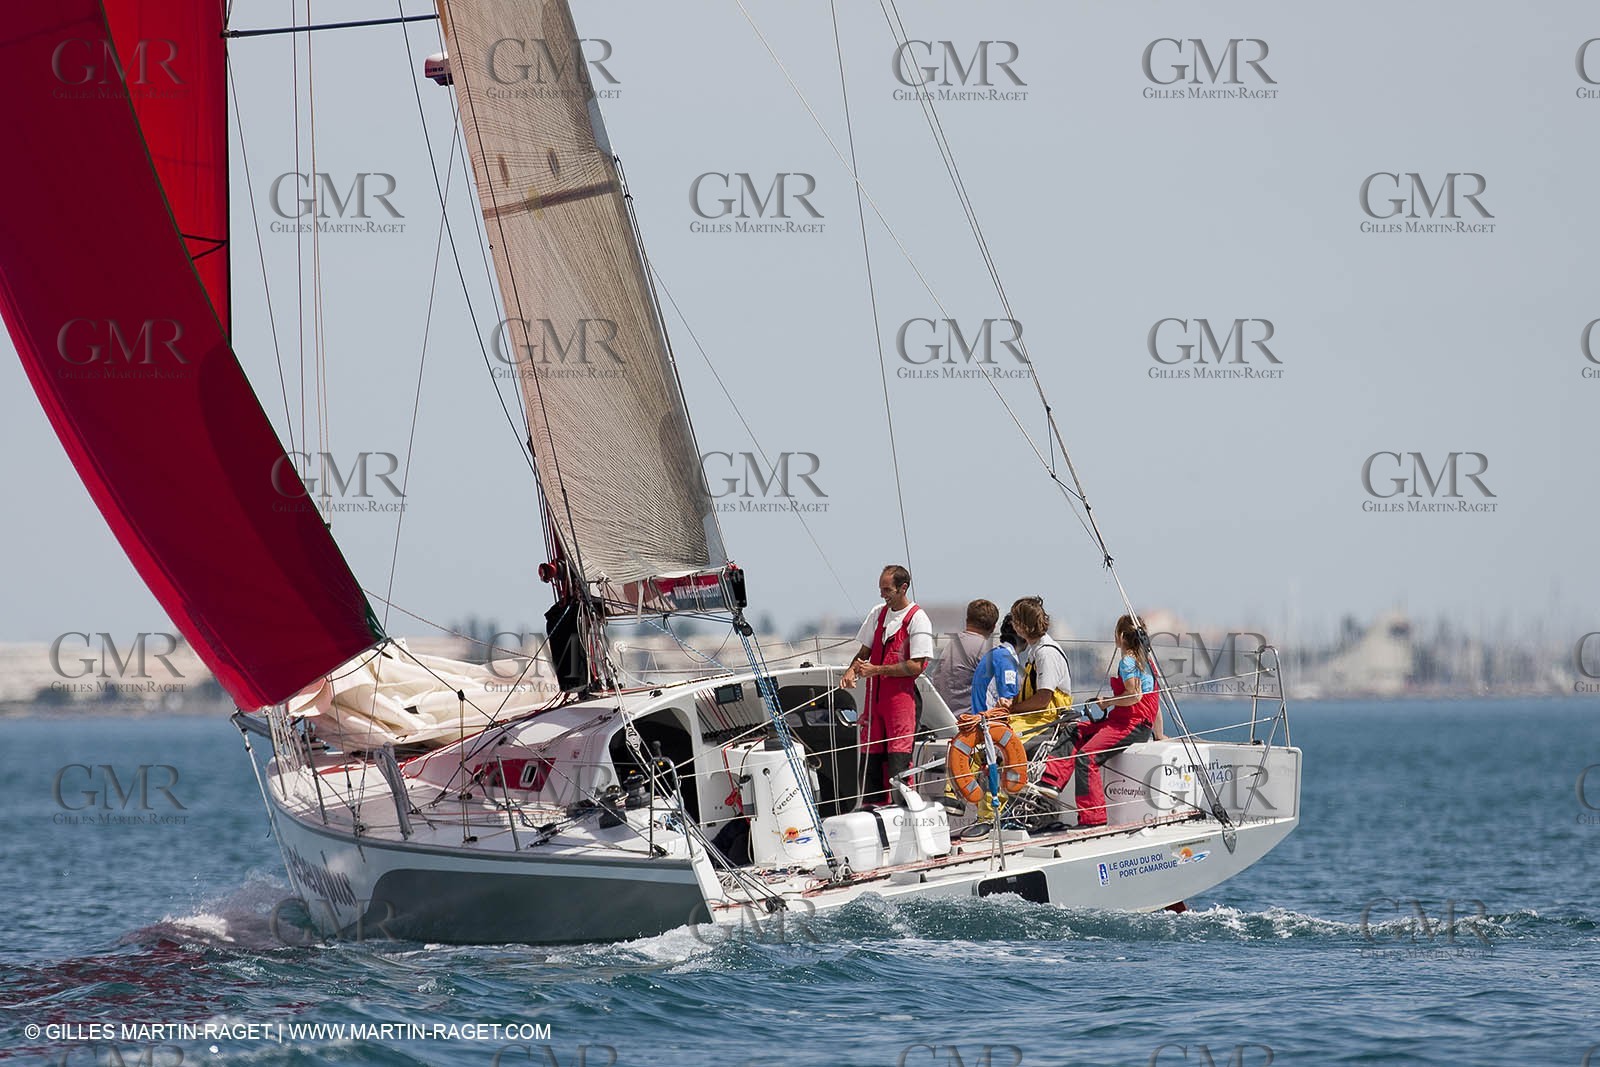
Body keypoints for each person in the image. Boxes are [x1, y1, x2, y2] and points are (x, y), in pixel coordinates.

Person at [840, 565, 934, 805]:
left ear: (903, 588)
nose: (882, 594)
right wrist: (851, 671)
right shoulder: (877, 614)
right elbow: (864, 652)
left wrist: (877, 670)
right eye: (881, 589)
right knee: (870, 761)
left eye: (887, 590)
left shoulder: (918, 619)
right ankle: (872, 811)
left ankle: (903, 811)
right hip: (874, 702)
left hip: (900, 702)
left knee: (898, 762)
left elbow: (917, 665)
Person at [1065, 614, 1161, 828]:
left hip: (1129, 725)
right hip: (1137, 725)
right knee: (1076, 731)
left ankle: (1093, 818)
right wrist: (1159, 735)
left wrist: (1107, 702)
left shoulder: (1128, 662)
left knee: (1086, 757)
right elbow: (1155, 703)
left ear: (1121, 636)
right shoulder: (1148, 663)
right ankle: (1052, 784)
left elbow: (1134, 696)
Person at [955, 613, 1024, 835]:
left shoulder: (993, 654)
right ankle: (990, 817)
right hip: (991, 726)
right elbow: (1006, 702)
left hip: (979, 722)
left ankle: (958, 799)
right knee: (1007, 756)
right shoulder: (1007, 660)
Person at [929, 599, 998, 715]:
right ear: (993, 627)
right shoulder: (988, 650)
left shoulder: (952, 644)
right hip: (969, 721)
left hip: (945, 717)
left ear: (967, 621)